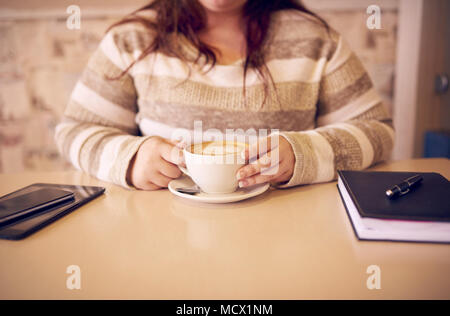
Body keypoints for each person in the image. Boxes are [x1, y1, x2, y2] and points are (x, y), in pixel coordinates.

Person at [55, 0, 394, 191]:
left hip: (287, 241)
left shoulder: (315, 39)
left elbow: (377, 132)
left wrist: (305, 153)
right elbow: (74, 131)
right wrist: (129, 158)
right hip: (164, 243)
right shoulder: (132, 40)